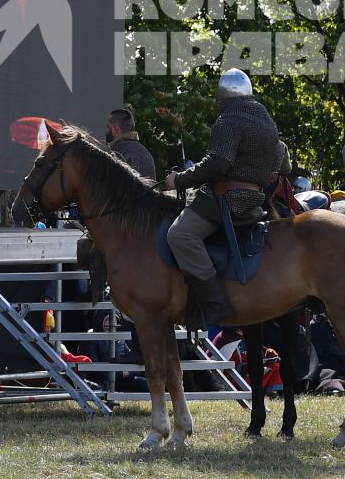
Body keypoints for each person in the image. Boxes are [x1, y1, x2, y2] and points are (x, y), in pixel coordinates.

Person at [164, 68, 285, 327]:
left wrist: (180, 180)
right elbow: (282, 164)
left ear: (225, 98)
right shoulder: (268, 124)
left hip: (225, 200)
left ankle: (215, 300)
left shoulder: (230, 120)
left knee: (179, 235)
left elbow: (217, 163)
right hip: (256, 201)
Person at [105, 107, 157, 182]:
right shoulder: (145, 152)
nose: (105, 131)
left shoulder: (117, 154)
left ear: (116, 129)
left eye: (107, 127)